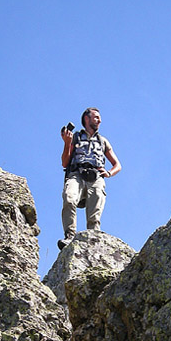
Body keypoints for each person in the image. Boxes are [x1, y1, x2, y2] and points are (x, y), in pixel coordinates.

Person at [58, 107, 121, 250]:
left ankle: (94, 238)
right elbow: (64, 162)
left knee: (96, 205)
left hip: (96, 176)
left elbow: (117, 165)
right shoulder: (76, 137)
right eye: (96, 117)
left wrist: (109, 173)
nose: (99, 120)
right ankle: (69, 236)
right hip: (76, 173)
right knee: (69, 198)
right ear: (87, 119)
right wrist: (67, 143)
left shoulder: (103, 141)